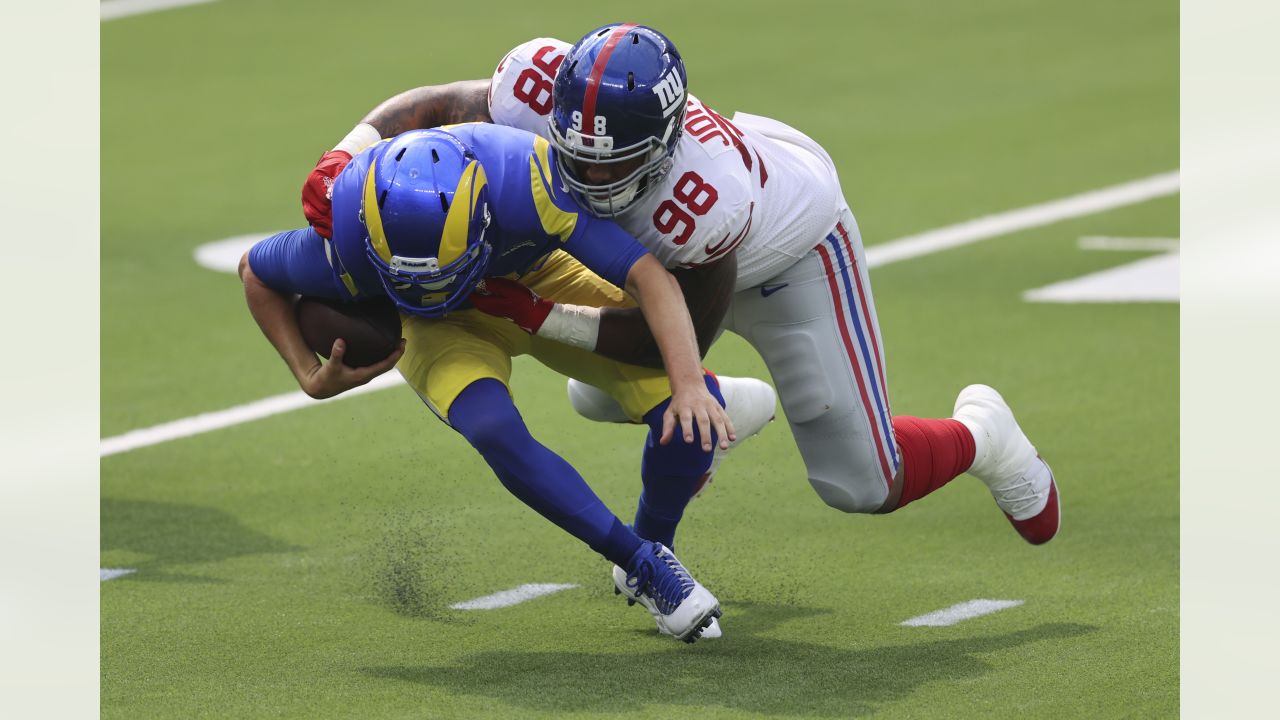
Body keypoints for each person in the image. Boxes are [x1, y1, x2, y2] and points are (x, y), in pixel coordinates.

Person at [301, 24, 1061, 636]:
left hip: (783, 257)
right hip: (655, 270)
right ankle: (663, 523)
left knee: (861, 483)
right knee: (622, 393)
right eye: (577, 158)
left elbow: (670, 336)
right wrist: (349, 153)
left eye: (613, 168)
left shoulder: (703, 202)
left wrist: (533, 312)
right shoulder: (540, 83)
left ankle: (983, 435)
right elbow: (435, 106)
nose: (590, 179)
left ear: (661, 150)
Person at [244, 125, 739, 642]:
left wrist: (687, 385)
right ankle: (643, 566)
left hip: (528, 276)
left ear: (482, 221)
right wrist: (308, 375)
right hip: (437, 332)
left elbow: (648, 275)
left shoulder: (529, 185)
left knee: (692, 414)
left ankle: (656, 543)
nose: (430, 292)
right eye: (410, 279)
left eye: (441, 275)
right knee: (493, 429)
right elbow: (256, 273)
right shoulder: (343, 236)